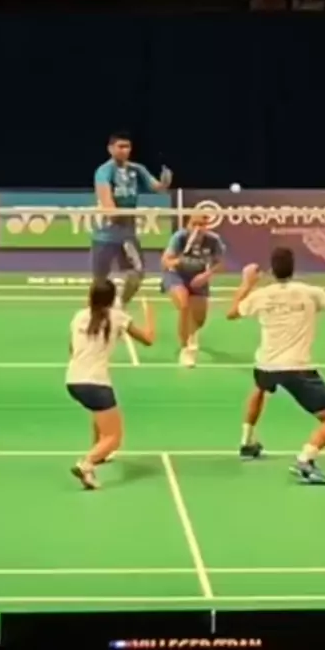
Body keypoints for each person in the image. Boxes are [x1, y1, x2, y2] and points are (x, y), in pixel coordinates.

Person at [227, 248, 325, 485]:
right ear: (293, 268)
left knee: (260, 389)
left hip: (265, 364)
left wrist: (247, 283)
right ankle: (305, 460)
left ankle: (247, 442)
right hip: (297, 368)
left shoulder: (261, 295)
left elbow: (232, 312)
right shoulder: (310, 293)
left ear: (271, 270)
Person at [66, 278, 155, 490]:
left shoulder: (79, 316)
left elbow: (72, 349)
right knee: (114, 437)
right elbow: (148, 339)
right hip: (96, 383)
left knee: (99, 414)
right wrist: (150, 313)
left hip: (73, 380)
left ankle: (98, 454)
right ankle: (86, 464)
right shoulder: (117, 316)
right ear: (112, 298)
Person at [92, 131, 172, 305]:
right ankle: (95, 313)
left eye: (127, 146)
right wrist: (117, 214)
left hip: (127, 234)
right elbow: (107, 205)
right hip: (105, 234)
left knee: (137, 272)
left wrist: (165, 182)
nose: (124, 150)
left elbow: (158, 188)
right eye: (120, 146)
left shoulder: (137, 169)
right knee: (99, 281)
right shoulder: (104, 171)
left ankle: (120, 305)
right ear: (110, 149)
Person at [161, 214, 225, 368]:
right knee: (184, 305)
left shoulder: (214, 240)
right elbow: (165, 261)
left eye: (202, 224)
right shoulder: (179, 238)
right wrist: (177, 261)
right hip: (176, 276)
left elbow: (220, 265)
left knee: (199, 320)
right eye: (194, 224)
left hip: (199, 278)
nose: (198, 228)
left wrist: (206, 275)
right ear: (187, 225)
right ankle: (185, 349)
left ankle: (191, 333)